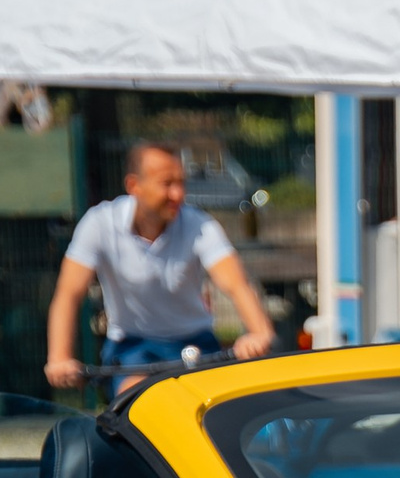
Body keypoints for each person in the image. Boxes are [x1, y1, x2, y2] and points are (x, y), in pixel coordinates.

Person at [45, 141, 275, 386]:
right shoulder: (100, 223)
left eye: (181, 183)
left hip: (195, 343)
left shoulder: (200, 225)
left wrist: (259, 333)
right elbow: (69, 293)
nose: (178, 194)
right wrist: (60, 357)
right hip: (132, 347)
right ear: (134, 186)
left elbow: (237, 285)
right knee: (135, 398)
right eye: (167, 184)